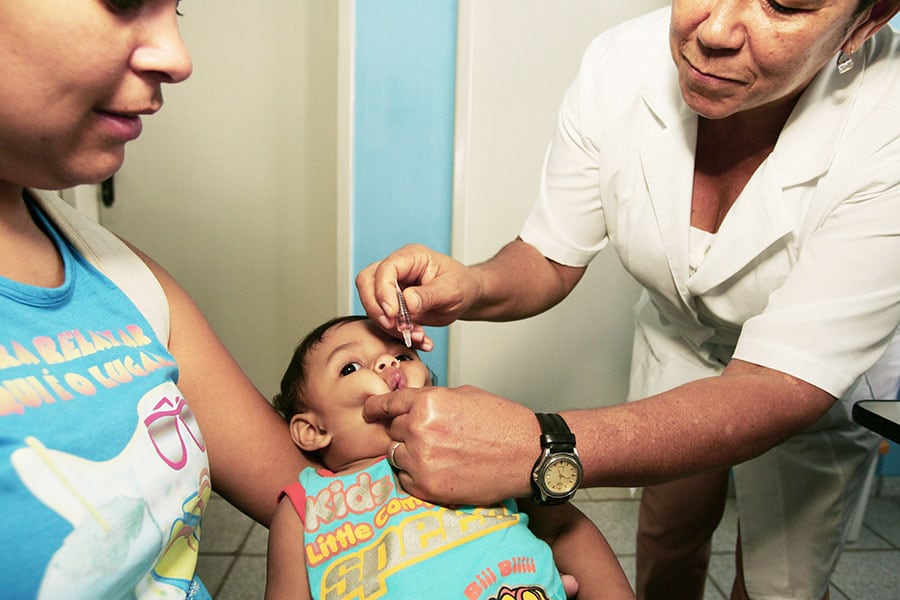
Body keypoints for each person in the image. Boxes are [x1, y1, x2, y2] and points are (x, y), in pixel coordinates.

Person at [355, 2, 900, 599]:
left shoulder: (887, 125)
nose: (714, 31)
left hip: (807, 388)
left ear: (868, 18)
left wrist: (542, 445)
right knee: (669, 533)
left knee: (780, 582)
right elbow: (548, 255)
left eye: (785, 4)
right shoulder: (621, 62)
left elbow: (779, 384)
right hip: (680, 341)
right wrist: (473, 284)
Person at [0, 1, 309, 597]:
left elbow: (309, 496)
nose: (178, 58)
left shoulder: (119, 273)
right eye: (122, 1)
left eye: (178, 9)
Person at [265, 315, 635, 600]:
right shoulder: (304, 507)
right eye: (350, 367)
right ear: (312, 430)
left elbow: (565, 529)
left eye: (401, 354)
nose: (386, 364)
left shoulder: (473, 454)